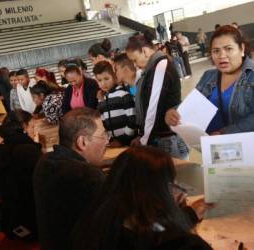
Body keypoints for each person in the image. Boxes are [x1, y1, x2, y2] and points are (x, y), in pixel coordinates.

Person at [72, 146, 212, 250]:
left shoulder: (92, 227)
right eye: (172, 186)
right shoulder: (185, 245)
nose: (179, 193)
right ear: (156, 193)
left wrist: (188, 215)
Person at [33, 108, 106, 250]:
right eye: (103, 135)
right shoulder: (89, 176)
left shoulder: (45, 161)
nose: (106, 141)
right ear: (82, 142)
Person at [165, 25, 254, 135]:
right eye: (216, 51)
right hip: (210, 147)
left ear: (242, 49)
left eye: (229, 49)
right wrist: (174, 112)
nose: (222, 55)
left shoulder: (251, 77)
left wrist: (225, 133)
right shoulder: (209, 76)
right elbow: (192, 104)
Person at [125, 29, 188, 159]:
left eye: (135, 60)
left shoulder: (161, 66)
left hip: (167, 140)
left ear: (145, 51)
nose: (135, 65)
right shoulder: (151, 69)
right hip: (159, 138)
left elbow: (153, 109)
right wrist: (142, 135)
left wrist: (144, 141)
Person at [0, 110, 41, 240]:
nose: (34, 131)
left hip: (12, 217)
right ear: (24, 127)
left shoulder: (3, 148)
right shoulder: (26, 150)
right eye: (32, 127)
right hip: (31, 221)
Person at [94, 61, 136, 146]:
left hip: (128, 142)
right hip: (113, 143)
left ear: (114, 76)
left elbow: (132, 119)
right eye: (99, 80)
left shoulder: (123, 94)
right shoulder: (102, 98)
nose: (103, 83)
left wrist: (123, 140)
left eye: (106, 79)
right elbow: (102, 120)